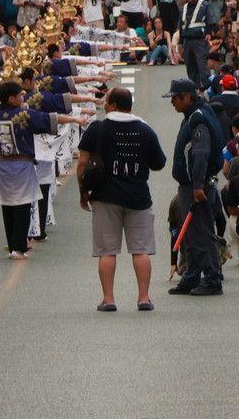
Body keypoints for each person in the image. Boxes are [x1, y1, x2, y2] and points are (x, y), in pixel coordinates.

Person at [77, 87, 167, 312]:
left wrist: (83, 191)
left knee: (107, 251)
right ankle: (144, 298)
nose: (105, 105)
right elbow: (159, 163)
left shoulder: (97, 128)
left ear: (114, 105)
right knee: (141, 249)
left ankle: (108, 300)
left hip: (105, 196)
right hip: (138, 196)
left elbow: (82, 163)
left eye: (107, 101)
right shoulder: (145, 130)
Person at [0, 81, 88, 259]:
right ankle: (19, 248)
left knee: (8, 206)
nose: (23, 97)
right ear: (11, 99)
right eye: (20, 95)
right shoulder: (24, 115)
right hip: (22, 164)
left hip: (4, 165)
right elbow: (52, 118)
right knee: (22, 206)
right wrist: (75, 119)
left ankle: (12, 245)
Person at [165, 78, 227, 297]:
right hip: (192, 183)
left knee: (201, 233)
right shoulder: (196, 114)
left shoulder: (197, 118)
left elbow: (200, 152)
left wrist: (198, 185)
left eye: (175, 98)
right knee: (191, 233)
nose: (172, 102)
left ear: (187, 97)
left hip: (195, 185)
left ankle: (212, 279)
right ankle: (191, 276)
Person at [175, 0, 210, 90]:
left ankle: (207, 88)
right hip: (187, 40)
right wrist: (180, 42)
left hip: (199, 39)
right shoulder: (184, 7)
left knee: (202, 64)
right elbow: (181, 25)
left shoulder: (205, 5)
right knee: (190, 65)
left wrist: (209, 33)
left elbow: (211, 20)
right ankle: (195, 88)